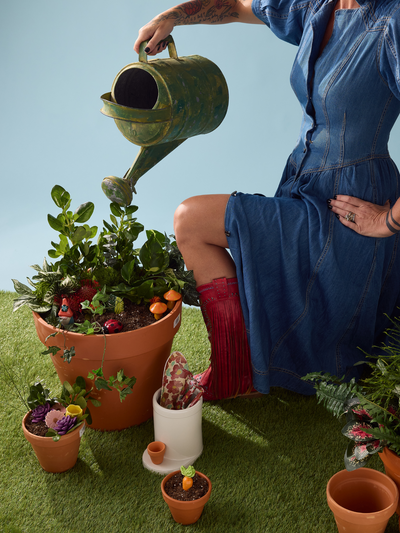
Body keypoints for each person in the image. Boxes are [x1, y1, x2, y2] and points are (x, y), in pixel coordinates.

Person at [134, 0, 400, 401]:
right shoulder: (318, 6)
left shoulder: (392, 21)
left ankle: (235, 372)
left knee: (190, 219)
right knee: (196, 224)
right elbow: (238, 7)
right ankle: (237, 367)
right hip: (303, 189)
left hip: (347, 212)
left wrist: (389, 221)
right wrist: (171, 17)